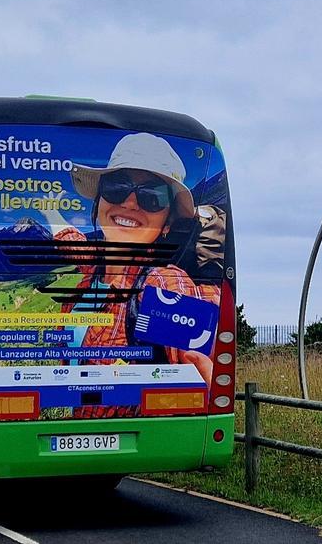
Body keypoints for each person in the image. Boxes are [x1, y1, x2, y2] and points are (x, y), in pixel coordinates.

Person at [41, 133, 219, 391]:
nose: (130, 202)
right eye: (117, 188)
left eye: (152, 196)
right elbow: (73, 245)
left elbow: (199, 370)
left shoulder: (163, 285)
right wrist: (51, 213)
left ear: (167, 223)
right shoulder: (95, 271)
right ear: (100, 201)